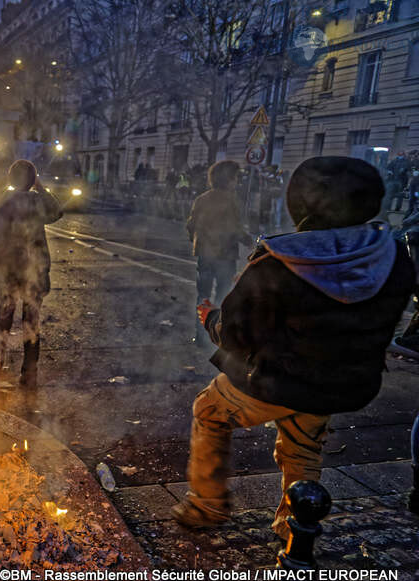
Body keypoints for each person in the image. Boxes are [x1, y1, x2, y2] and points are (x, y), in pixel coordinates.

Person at [172, 156, 416, 540]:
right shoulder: (392, 255)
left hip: (277, 381)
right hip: (343, 383)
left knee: (209, 410)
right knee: (302, 449)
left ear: (301, 203)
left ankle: (206, 505)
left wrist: (210, 318)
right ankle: (294, 531)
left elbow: (236, 335)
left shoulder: (279, 261)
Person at [0, 159, 63, 387]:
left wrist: (2, 187)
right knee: (31, 323)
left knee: (3, 321)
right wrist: (40, 187)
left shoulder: (4, 201)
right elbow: (57, 212)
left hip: (7, 270)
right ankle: (29, 372)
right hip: (33, 271)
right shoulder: (38, 201)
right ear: (32, 180)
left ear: (11, 179)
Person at [185, 160, 250, 346]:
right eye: (235, 177)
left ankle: (200, 335)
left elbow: (190, 225)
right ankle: (219, 335)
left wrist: (197, 242)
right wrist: (249, 240)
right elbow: (234, 229)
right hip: (225, 255)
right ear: (228, 179)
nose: (237, 181)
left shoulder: (202, 198)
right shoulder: (230, 200)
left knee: (203, 295)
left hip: (204, 255)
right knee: (223, 296)